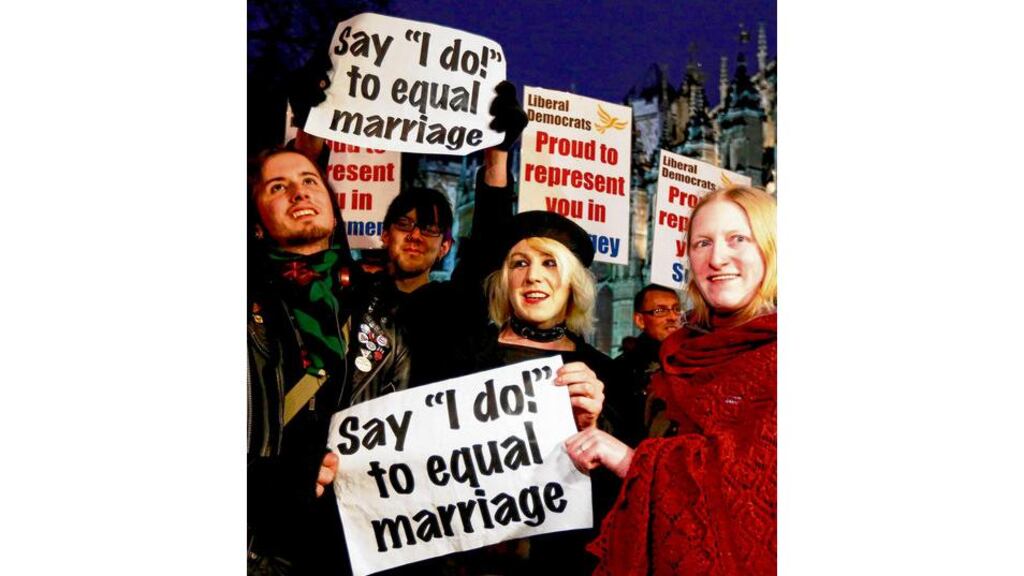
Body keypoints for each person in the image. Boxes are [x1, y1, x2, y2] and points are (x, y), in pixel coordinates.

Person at [566, 185, 777, 575]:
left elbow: (756, 492)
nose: (717, 258)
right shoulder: (680, 354)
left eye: (738, 239)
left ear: (771, 247)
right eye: (702, 243)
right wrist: (594, 427)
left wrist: (630, 461)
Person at [247, 146, 412, 575]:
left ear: (335, 214)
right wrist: (270, 479)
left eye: (309, 181)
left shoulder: (382, 314)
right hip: (260, 548)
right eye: (278, 187)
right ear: (257, 224)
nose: (299, 193)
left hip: (352, 547)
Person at [435, 210, 616, 575]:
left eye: (550, 263)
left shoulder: (606, 373)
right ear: (505, 280)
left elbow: (621, 496)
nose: (533, 276)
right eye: (520, 263)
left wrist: (594, 427)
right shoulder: (458, 357)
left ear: (573, 282)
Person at [610, 284, 683, 445]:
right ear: (640, 320)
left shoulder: (693, 361)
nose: (673, 317)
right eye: (660, 311)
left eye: (676, 309)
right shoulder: (620, 371)